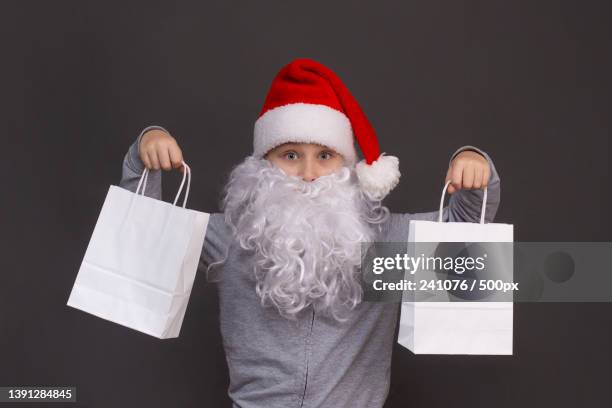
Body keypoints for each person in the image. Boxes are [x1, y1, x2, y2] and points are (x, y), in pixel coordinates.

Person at [119, 58, 500, 408]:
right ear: (263, 164)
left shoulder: (384, 239)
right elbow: (144, 231)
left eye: (324, 156)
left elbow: (465, 227)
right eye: (290, 156)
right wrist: (145, 152)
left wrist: (473, 165)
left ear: (348, 166)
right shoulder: (231, 236)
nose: (308, 174)